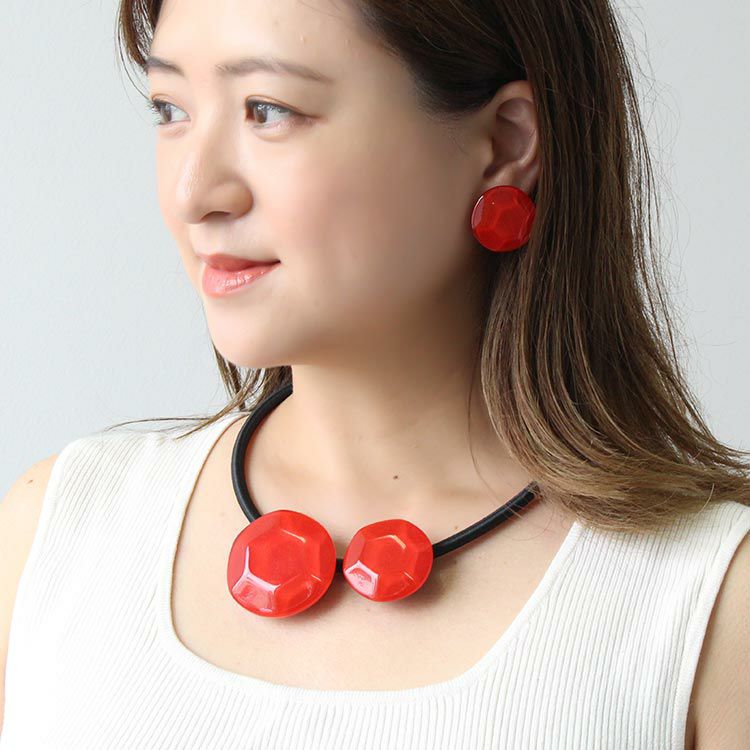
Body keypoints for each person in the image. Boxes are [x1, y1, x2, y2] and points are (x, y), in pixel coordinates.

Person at [2, 0, 749, 747]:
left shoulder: (714, 608)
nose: (193, 193)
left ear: (504, 143)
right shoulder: (55, 536)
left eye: (269, 110)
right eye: (170, 109)